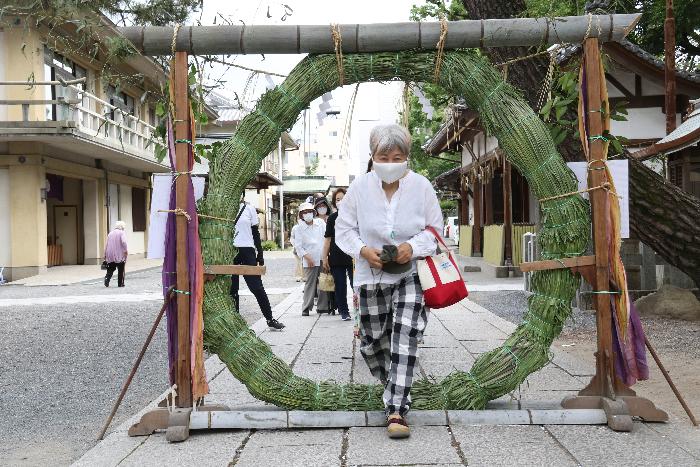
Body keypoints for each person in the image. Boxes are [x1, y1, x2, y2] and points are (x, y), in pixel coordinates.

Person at [336, 124, 443, 439]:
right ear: (373, 156)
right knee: (373, 342)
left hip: (410, 274)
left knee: (405, 337)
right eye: (384, 156)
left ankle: (396, 409)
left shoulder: (421, 187)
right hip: (371, 276)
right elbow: (344, 229)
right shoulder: (359, 188)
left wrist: (413, 246)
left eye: (398, 156)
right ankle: (393, 383)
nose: (391, 161)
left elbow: (435, 230)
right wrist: (362, 251)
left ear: (407, 157)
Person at [230, 200, 285, 330]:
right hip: (229, 250)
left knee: (257, 287)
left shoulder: (249, 208)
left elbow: (255, 233)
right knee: (232, 289)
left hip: (247, 251)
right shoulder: (224, 206)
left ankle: (270, 319)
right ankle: (235, 323)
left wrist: (260, 253)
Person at [293, 202, 331, 316]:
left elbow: (326, 239)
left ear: (313, 213)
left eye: (309, 211)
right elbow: (298, 246)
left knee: (323, 282)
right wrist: (306, 256)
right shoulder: (299, 228)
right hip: (309, 259)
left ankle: (323, 307)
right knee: (310, 283)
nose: (307, 214)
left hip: (322, 257)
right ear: (301, 215)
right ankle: (306, 307)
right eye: (305, 212)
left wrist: (326, 256)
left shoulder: (320, 223)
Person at [322, 188, 353, 321]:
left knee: (356, 284)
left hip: (353, 255)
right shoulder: (332, 218)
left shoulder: (355, 216)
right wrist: (324, 258)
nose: (341, 201)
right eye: (338, 200)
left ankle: (360, 308)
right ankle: (344, 311)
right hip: (336, 256)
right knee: (340, 285)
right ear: (334, 203)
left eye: (343, 198)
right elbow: (327, 239)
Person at [104, 220, 128, 287]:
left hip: (110, 254)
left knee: (111, 268)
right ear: (122, 227)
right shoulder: (121, 233)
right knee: (121, 269)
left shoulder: (110, 233)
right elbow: (124, 242)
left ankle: (107, 278)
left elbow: (106, 244)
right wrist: (125, 250)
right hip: (119, 254)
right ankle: (120, 284)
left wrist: (105, 254)